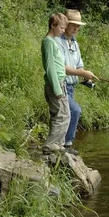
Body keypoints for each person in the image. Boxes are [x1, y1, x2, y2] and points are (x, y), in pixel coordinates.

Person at [56, 9, 96, 149]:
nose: (76, 28)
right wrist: (82, 74)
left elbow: (79, 66)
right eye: (73, 25)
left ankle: (61, 145)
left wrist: (87, 79)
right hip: (60, 86)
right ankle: (66, 145)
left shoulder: (75, 43)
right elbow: (61, 67)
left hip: (71, 88)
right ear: (65, 24)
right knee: (75, 110)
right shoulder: (57, 42)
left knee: (65, 115)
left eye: (78, 26)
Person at [41, 13, 75, 155]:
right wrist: (57, 89)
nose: (63, 30)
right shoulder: (48, 42)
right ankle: (50, 145)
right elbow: (50, 68)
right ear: (52, 25)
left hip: (61, 83)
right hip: (55, 85)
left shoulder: (54, 41)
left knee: (66, 114)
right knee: (60, 115)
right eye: (61, 28)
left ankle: (59, 144)